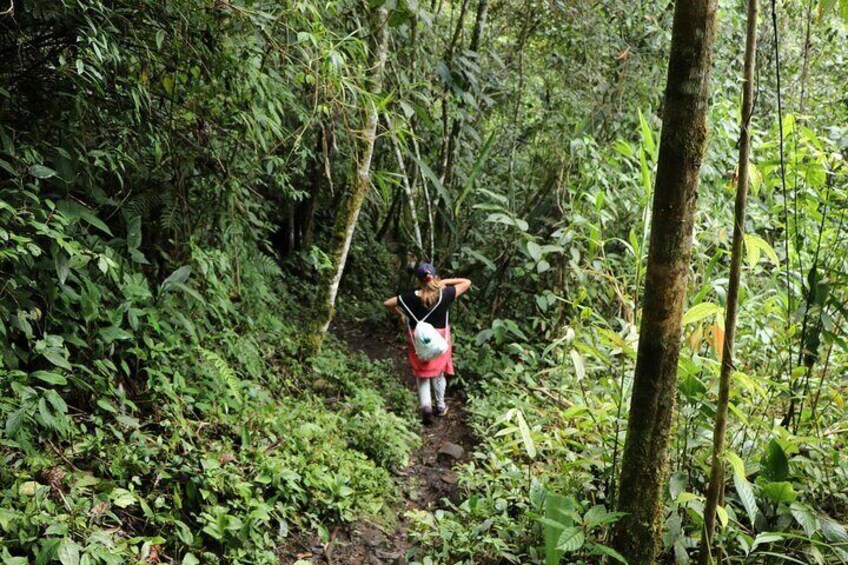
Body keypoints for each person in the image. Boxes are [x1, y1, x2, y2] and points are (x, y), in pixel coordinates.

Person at [383, 263, 472, 424]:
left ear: (418, 280)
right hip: (439, 339)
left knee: (422, 374)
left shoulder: (409, 297)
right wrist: (445, 281)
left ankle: (426, 410)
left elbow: (388, 303)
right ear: (434, 276)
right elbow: (466, 282)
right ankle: (440, 406)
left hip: (418, 339)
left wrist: (401, 316)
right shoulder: (445, 294)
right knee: (438, 373)